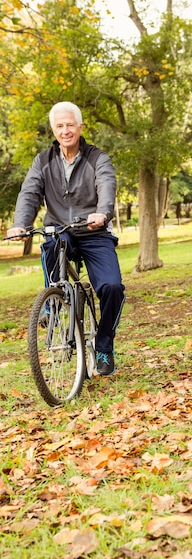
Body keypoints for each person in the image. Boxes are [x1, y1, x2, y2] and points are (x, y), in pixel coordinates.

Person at [7, 101, 125, 376]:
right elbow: (29, 193)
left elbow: (106, 185)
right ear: (53, 129)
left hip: (93, 231)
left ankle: (105, 345)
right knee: (50, 244)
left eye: (70, 125)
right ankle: (52, 302)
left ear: (80, 127)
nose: (65, 130)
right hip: (60, 230)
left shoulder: (98, 158)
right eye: (59, 126)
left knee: (112, 286)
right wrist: (20, 225)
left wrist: (102, 213)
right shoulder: (43, 161)